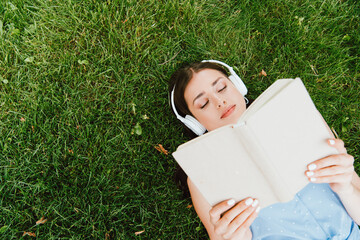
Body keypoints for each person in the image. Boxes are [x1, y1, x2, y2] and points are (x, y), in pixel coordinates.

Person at [169, 60, 360, 240]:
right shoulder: (201, 175)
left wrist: (346, 189)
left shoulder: (300, 116)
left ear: (238, 86)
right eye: (203, 104)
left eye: (222, 88)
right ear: (195, 123)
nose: (220, 101)